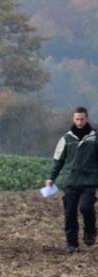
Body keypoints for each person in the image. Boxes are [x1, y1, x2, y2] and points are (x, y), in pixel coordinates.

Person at [46, 106, 98, 253]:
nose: (80, 122)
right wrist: (51, 178)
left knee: (86, 207)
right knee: (70, 212)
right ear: (73, 119)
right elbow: (58, 161)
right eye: (77, 119)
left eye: (82, 119)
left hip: (89, 182)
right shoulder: (66, 139)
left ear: (87, 118)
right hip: (71, 182)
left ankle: (90, 230)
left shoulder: (94, 138)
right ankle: (72, 244)